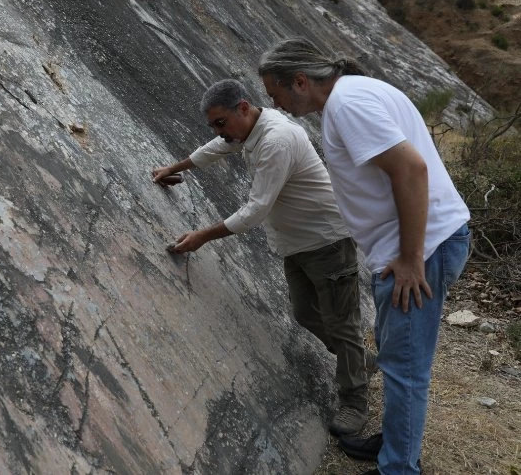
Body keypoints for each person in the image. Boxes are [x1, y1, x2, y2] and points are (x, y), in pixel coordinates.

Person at [258, 38, 471, 475]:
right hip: (416, 244)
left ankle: (398, 467)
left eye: (275, 94)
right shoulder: (358, 91)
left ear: (301, 81)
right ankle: (395, 444)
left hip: (419, 250)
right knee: (396, 358)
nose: (275, 105)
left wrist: (412, 257)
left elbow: (410, 168)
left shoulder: (346, 105)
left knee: (406, 369)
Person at [152, 79, 372, 436]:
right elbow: (217, 146)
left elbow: (255, 210)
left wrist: (202, 237)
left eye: (220, 122)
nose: (218, 132)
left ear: (243, 107)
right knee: (305, 313)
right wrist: (174, 167)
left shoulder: (277, 139)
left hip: (327, 241)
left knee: (342, 323)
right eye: (213, 125)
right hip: (296, 242)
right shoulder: (247, 130)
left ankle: (354, 400)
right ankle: (358, 362)